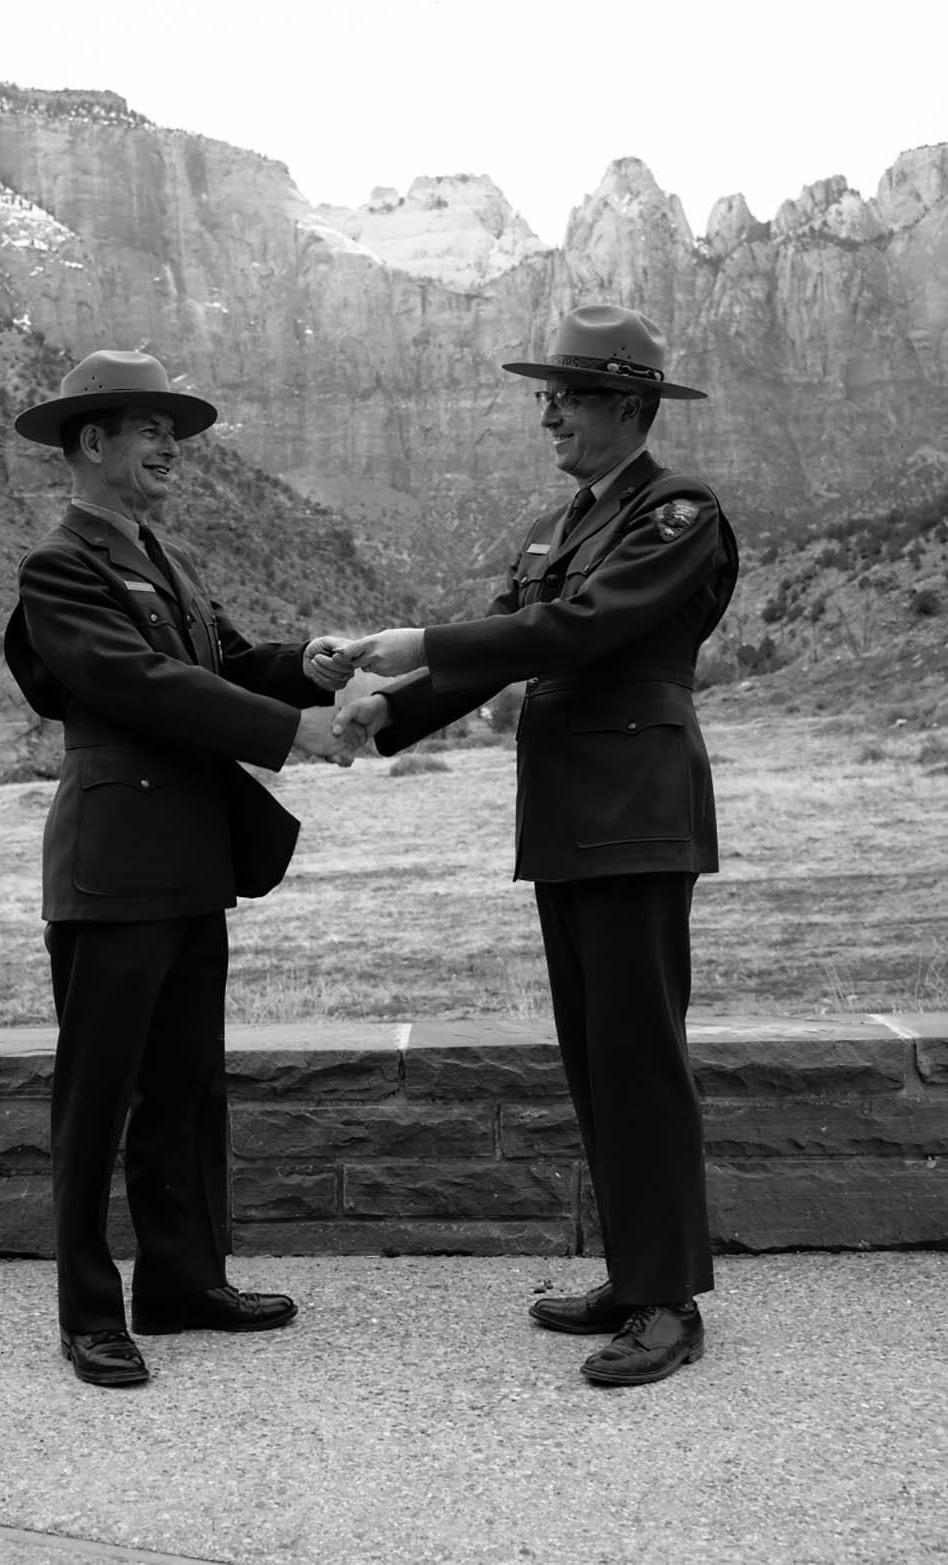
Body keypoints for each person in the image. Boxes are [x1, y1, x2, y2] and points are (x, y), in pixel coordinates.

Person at [333, 304, 738, 1387]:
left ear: (630, 404)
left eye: (566, 393)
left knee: (640, 1057)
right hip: (569, 816)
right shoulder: (556, 528)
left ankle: (668, 1299)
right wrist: (380, 712)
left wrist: (416, 640)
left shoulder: (678, 511)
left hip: (637, 810)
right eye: (545, 393)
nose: (547, 410)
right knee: (596, 1054)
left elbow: (575, 631)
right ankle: (632, 1268)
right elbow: (490, 654)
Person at [4, 349, 358, 1387]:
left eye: (174, 428)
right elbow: (142, 682)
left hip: (190, 862)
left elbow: (223, 661)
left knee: (186, 1086)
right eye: (146, 426)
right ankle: (86, 1309)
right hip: (114, 865)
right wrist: (295, 731)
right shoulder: (59, 567)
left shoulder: (167, 556)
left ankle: (181, 1279)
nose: (169, 443)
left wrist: (310, 662)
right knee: (97, 1094)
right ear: (90, 443)